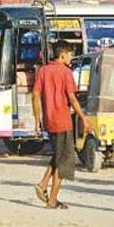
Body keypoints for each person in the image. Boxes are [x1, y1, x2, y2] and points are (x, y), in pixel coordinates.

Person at [32, 41, 91, 209]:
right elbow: (72, 98)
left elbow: (35, 95)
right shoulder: (65, 72)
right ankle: (52, 200)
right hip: (63, 121)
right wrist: (84, 118)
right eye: (70, 54)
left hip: (49, 121)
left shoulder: (43, 71)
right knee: (63, 161)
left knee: (59, 154)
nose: (71, 57)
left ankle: (43, 184)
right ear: (63, 54)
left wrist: (37, 119)